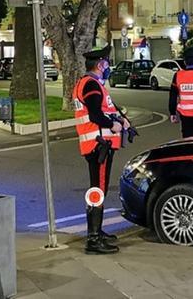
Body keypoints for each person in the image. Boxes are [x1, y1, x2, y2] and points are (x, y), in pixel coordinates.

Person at [73, 45, 128, 255]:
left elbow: (105, 110)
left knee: (99, 188)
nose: (108, 67)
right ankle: (93, 239)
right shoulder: (91, 86)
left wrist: (121, 120)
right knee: (98, 189)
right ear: (100, 65)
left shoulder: (92, 84)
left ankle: (97, 231)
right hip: (99, 145)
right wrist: (112, 125)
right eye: (106, 63)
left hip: (97, 144)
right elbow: (96, 115)